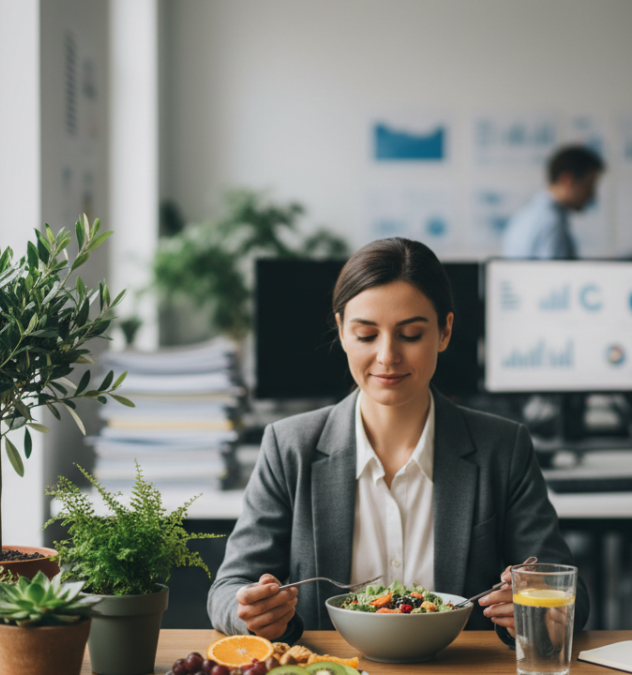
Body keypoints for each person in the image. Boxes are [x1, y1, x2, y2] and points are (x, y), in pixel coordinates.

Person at [208, 237, 589, 644]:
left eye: (409, 334)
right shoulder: (288, 447)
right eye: (366, 335)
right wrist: (250, 610)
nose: (387, 356)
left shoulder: (503, 447)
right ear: (340, 331)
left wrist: (540, 610)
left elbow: (570, 595)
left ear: (444, 332)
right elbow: (229, 588)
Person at [501, 144, 605, 260]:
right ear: (566, 180)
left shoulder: (526, 214)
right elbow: (557, 276)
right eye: (589, 185)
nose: (592, 195)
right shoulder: (552, 222)